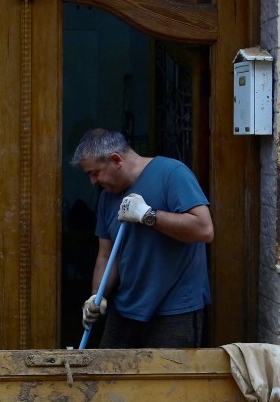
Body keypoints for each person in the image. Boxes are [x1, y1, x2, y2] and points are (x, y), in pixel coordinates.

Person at [71, 128, 214, 348]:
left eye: (95, 173)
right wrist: (95, 297)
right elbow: (107, 254)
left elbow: (204, 229)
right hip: (125, 309)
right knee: (109, 379)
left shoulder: (172, 174)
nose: (93, 181)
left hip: (174, 310)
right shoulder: (107, 197)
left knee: (168, 381)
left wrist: (148, 216)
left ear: (116, 160)